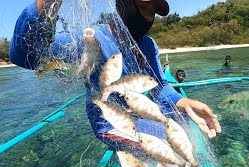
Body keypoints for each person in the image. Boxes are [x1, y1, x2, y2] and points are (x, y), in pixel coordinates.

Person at [10, 0, 221, 154]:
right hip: (112, 123)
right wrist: (46, 4)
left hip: (144, 113)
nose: (148, 17)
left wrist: (184, 101)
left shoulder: (148, 45)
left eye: (153, 12)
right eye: (144, 8)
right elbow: (26, 55)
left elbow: (159, 86)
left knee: (186, 125)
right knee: (175, 141)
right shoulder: (90, 38)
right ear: (124, 4)